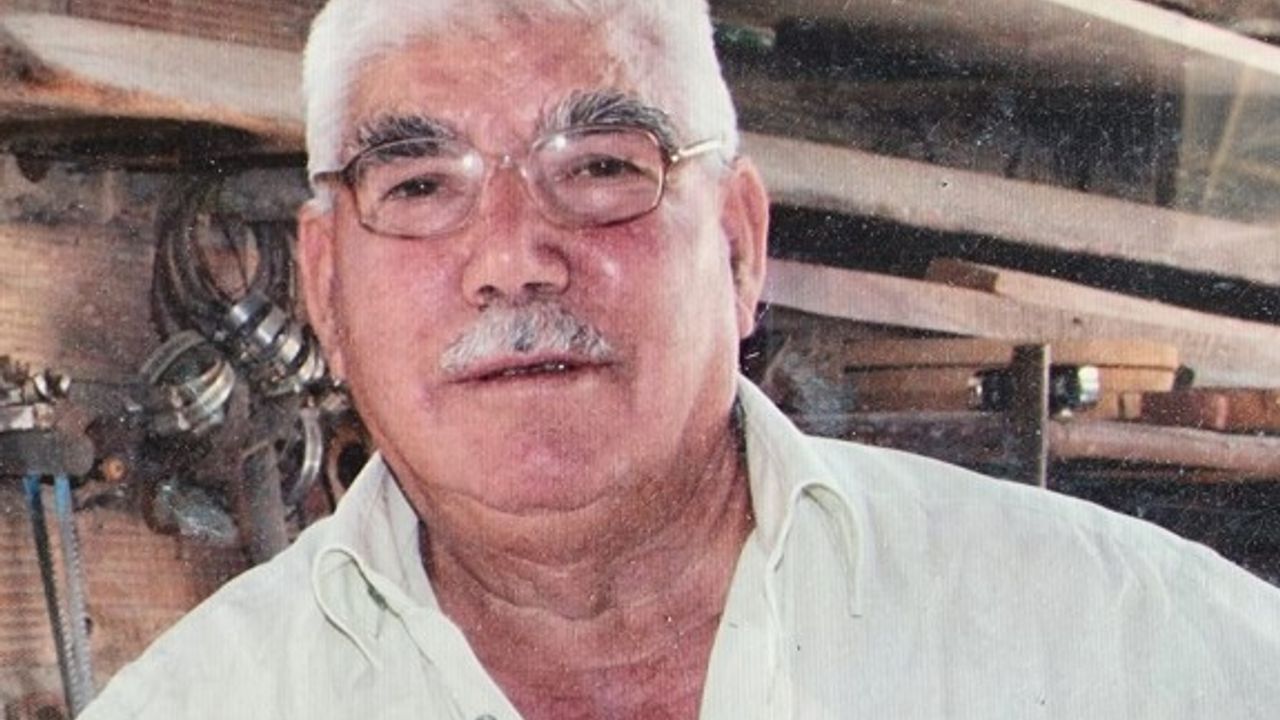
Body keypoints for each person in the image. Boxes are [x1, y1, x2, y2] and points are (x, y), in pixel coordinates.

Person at [82, 0, 1280, 718]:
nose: (513, 258)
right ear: (326, 290)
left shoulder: (1137, 647)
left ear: (739, 245)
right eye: (419, 185)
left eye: (601, 168)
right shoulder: (201, 704)